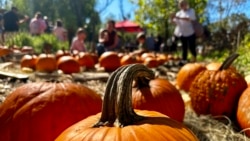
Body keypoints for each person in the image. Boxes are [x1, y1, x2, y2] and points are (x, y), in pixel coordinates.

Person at [171, 0, 197, 65]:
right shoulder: (178, 13)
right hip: (182, 33)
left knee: (192, 47)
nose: (182, 5)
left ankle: (194, 59)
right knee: (184, 47)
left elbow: (189, 19)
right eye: (181, 4)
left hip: (191, 32)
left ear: (186, 4)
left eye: (183, 4)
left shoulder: (191, 11)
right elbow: (175, 22)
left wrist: (177, 17)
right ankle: (184, 60)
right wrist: (171, 18)